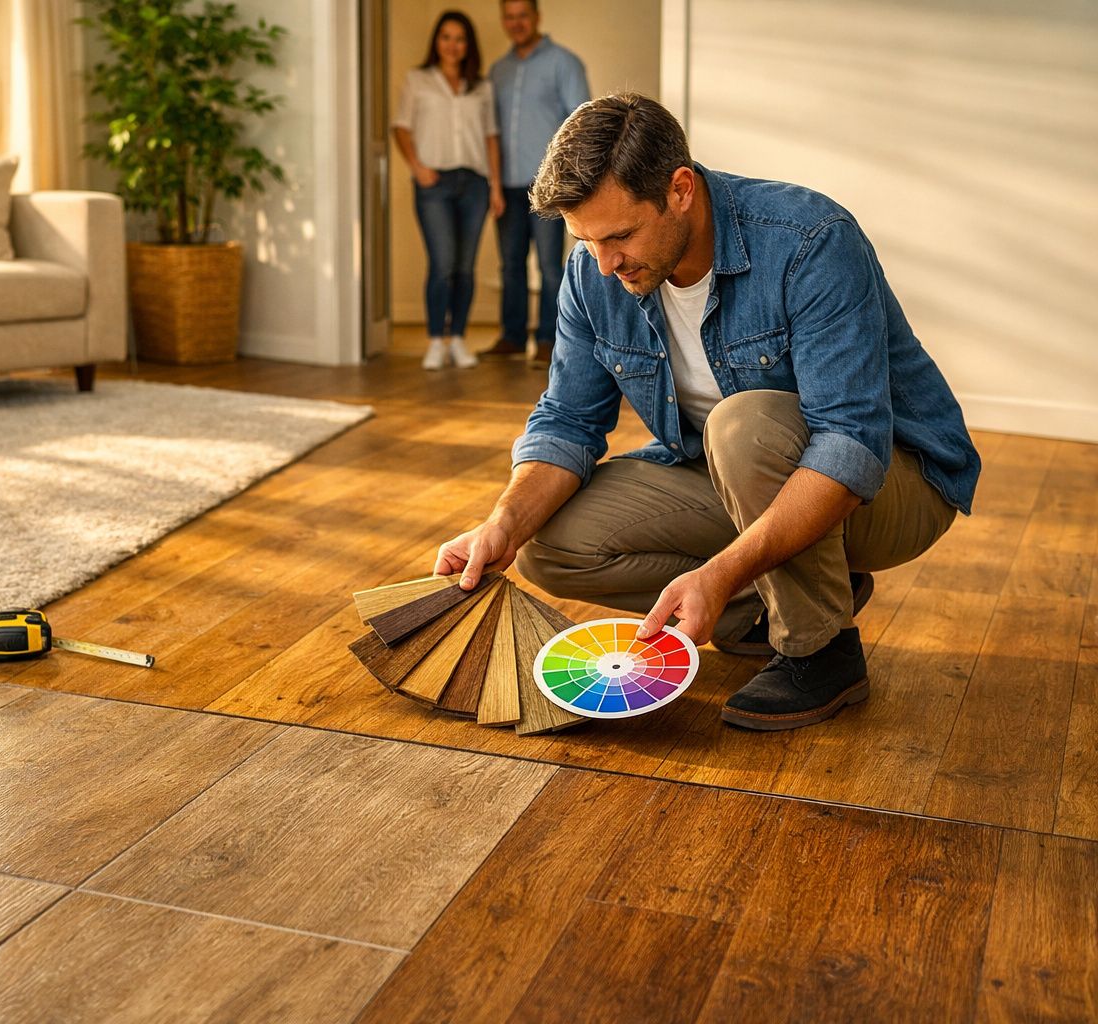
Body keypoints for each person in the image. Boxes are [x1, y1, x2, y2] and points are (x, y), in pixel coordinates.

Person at [434, 93, 980, 731]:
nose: (606, 265)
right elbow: (567, 421)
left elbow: (851, 443)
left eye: (620, 236)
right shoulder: (594, 271)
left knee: (741, 426)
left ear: (681, 190)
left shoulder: (809, 241)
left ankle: (821, 649)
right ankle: (773, 597)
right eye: (587, 241)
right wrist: (502, 523)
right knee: (546, 544)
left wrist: (720, 571)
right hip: (733, 473)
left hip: (895, 484)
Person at [392, 11, 504, 371]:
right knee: (442, 265)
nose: (452, 44)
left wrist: (495, 187)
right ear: (436, 41)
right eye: (445, 37)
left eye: (459, 38)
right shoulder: (418, 80)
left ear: (467, 45)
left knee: (465, 267)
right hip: (434, 184)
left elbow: (490, 138)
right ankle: (435, 341)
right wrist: (417, 168)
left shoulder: (481, 87)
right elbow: (401, 127)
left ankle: (457, 338)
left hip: (474, 183)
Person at [481, 0, 589, 369]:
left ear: (536, 17)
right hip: (506, 185)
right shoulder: (497, 71)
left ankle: (547, 339)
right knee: (510, 265)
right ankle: (512, 337)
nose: (516, 23)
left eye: (522, 15)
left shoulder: (564, 62)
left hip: (547, 187)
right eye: (509, 17)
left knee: (549, 266)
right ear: (504, 21)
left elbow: (580, 122)